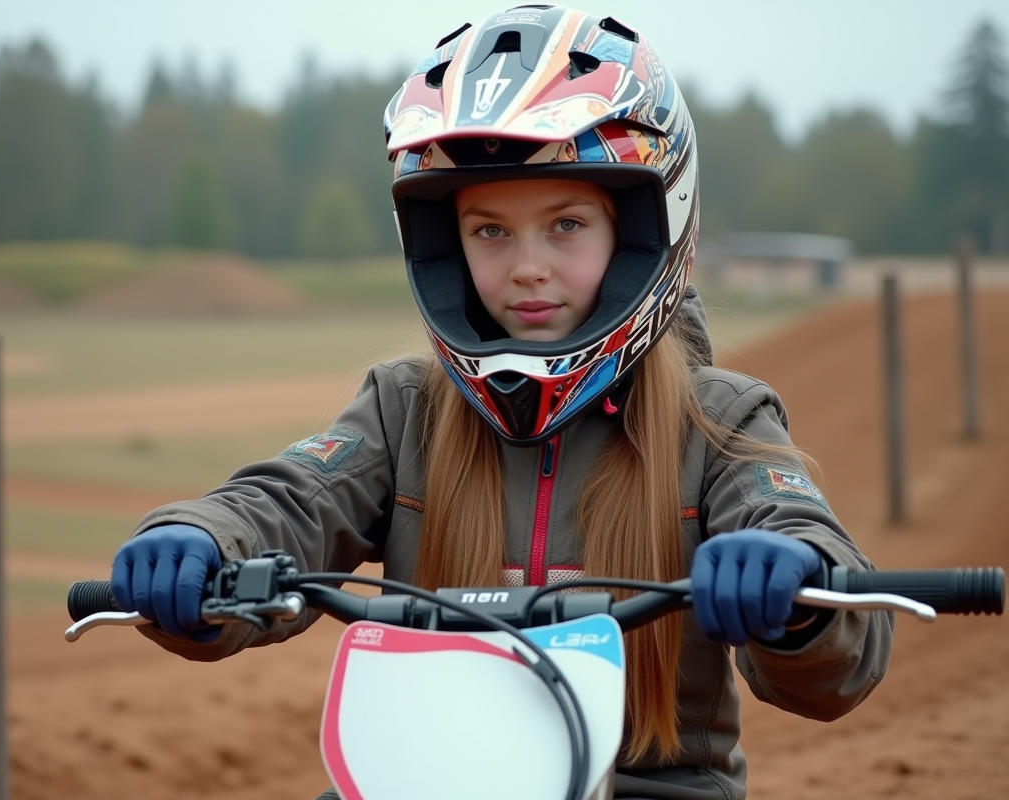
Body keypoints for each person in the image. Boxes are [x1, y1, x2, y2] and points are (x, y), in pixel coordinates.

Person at [110, 6, 894, 798]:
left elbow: (822, 603)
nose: (527, 267)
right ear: (443, 245)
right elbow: (293, 499)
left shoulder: (718, 420)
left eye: (566, 224)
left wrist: (797, 587)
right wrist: (201, 536)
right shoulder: (405, 410)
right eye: (490, 231)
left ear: (644, 227)